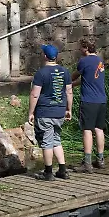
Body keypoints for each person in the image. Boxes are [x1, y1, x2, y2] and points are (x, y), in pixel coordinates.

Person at [28, 44, 73, 180]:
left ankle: (48, 173)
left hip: (45, 112)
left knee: (47, 142)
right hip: (59, 111)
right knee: (56, 140)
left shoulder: (41, 73)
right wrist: (69, 109)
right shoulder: (65, 72)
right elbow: (69, 91)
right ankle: (62, 170)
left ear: (45, 56)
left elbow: (35, 94)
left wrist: (31, 112)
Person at [72, 37, 107, 172]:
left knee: (87, 129)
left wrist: (67, 82)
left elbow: (75, 76)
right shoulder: (100, 60)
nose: (79, 50)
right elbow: (88, 78)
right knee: (99, 129)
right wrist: (74, 85)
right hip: (101, 100)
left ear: (86, 48)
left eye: (81, 47)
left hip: (88, 100)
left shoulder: (84, 61)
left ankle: (87, 163)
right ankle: (100, 159)